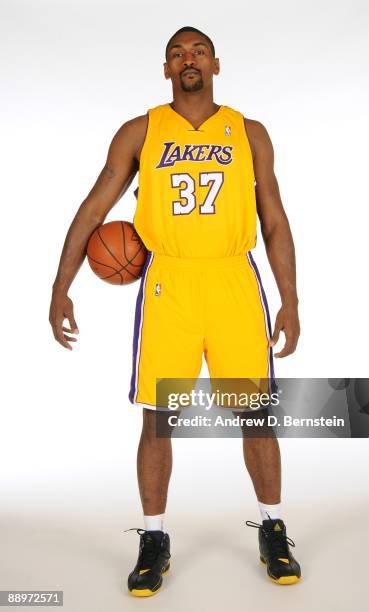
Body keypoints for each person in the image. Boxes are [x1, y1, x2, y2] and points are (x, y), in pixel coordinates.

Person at [49, 25, 301, 597]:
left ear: (216, 63)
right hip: (171, 283)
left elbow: (275, 220)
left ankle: (272, 527)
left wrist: (290, 298)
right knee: (158, 418)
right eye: (177, 53)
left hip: (236, 279)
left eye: (198, 51)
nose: (189, 60)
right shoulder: (141, 131)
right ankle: (154, 538)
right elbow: (95, 206)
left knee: (255, 414)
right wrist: (62, 285)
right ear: (166, 69)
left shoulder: (249, 131)